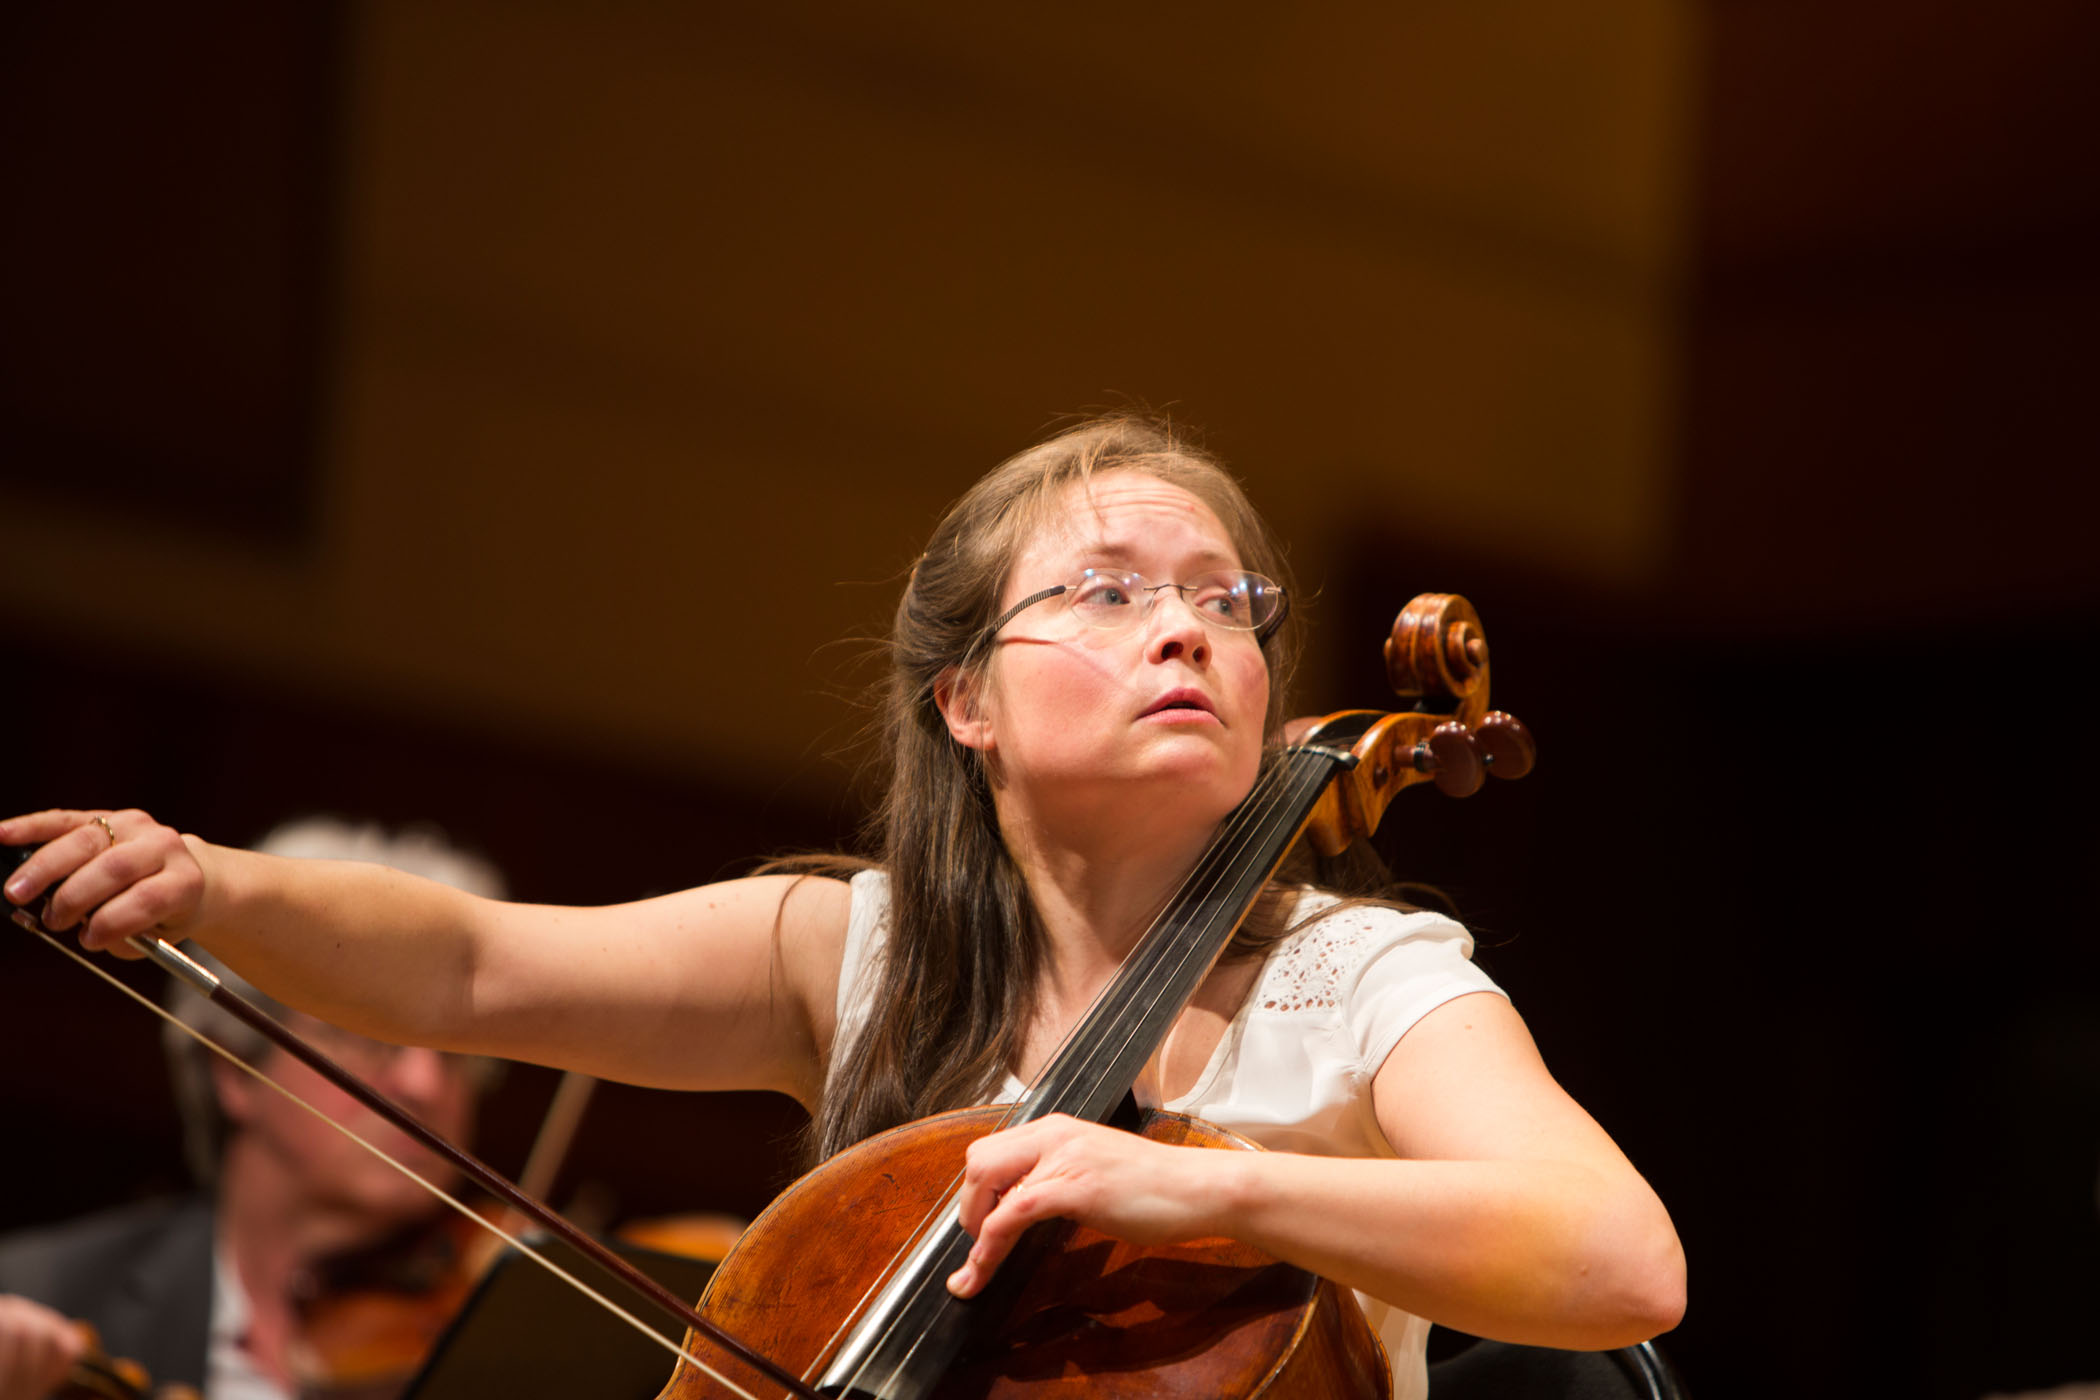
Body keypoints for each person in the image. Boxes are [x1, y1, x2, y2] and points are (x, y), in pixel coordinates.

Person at [2, 415, 1686, 1399]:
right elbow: (470, 964)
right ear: (966, 701)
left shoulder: (1366, 980)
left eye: (1224, 602)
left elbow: (1623, 1261)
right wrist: (212, 883)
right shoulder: (866, 951)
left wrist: (1215, 1191)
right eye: (1108, 593)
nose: (1187, 629)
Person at [0, 819, 504, 1400]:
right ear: (235, 1068)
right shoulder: (41, 1297)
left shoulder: (506, 1341)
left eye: (455, 1051)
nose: (425, 1082)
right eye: (372, 1037)